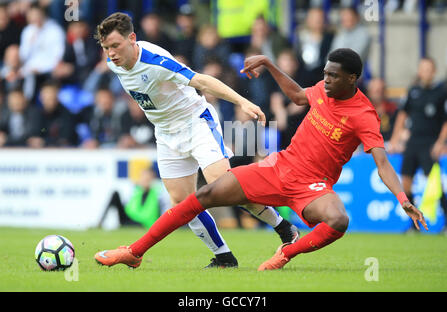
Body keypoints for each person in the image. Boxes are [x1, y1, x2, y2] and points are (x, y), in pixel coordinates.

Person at [94, 48, 428, 271]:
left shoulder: (365, 115)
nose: (325, 80)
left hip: (312, 186)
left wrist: (402, 199)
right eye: (325, 74)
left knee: (339, 221)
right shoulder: (324, 91)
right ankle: (134, 252)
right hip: (279, 166)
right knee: (206, 195)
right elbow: (298, 96)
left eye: (333, 76)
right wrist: (269, 64)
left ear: (352, 79)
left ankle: (287, 251)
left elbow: (382, 162)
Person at [93, 12, 299, 269]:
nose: (111, 53)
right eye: (106, 48)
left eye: (115, 46)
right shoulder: (114, 63)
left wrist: (242, 102)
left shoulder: (155, 62)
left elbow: (201, 80)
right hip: (166, 134)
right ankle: (224, 257)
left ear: (132, 39)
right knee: (181, 202)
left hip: (196, 124)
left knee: (225, 187)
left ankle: (284, 229)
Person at [388, 57, 447, 233]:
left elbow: (445, 121)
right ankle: (414, 225)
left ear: (434, 71)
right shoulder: (413, 91)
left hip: (430, 143)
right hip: (413, 142)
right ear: (419, 71)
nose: (426, 72)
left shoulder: (441, 92)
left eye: (429, 69)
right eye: (423, 69)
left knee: (434, 185)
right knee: (405, 184)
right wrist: (395, 139)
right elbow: (402, 116)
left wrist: (440, 142)